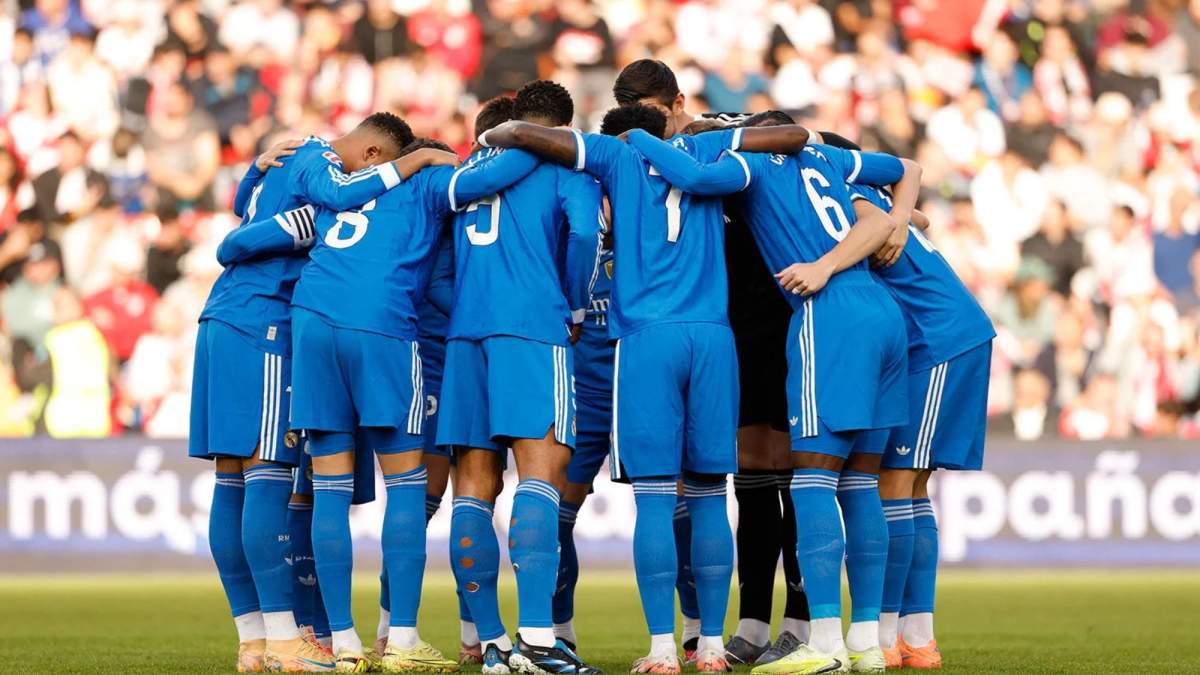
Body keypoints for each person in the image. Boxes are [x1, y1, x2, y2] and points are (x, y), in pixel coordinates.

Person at [479, 102, 809, 674]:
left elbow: (539, 137)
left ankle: (659, 651)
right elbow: (796, 134)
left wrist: (498, 131)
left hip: (646, 339)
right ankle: (709, 646)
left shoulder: (615, 154)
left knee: (654, 501)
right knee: (708, 496)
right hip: (713, 338)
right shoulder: (710, 149)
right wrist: (716, 130)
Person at [619, 129, 920, 674]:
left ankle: (822, 643)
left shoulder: (751, 164)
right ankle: (868, 643)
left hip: (827, 313)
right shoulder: (828, 158)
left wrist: (638, 135)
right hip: (883, 314)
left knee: (812, 478)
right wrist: (901, 218)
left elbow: (694, 177)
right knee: (860, 481)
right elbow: (897, 186)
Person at [190, 114, 458, 673]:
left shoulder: (289, 162)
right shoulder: (323, 175)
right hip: (263, 326)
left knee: (238, 480)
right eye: (383, 166)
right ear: (373, 155)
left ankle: (258, 641)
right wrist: (416, 163)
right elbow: (235, 243)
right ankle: (289, 641)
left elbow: (246, 211)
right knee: (268, 480)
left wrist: (251, 170)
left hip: (238, 324)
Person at [283, 118, 540, 672]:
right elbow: (484, 181)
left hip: (311, 320)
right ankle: (401, 640)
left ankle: (343, 644)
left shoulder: (334, 184)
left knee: (330, 490)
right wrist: (539, 138)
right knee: (406, 486)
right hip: (381, 326)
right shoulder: (426, 183)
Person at [610, 61, 809, 666]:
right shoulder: (676, 148)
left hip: (769, 316)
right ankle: (738, 626)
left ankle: (791, 617)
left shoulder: (687, 138)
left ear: (675, 101)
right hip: (726, 328)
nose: (647, 119)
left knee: (791, 475)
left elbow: (807, 141)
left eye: (652, 108)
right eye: (635, 109)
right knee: (731, 484)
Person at [437, 81, 604, 675]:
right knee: (543, 473)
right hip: (533, 329)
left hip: (466, 335)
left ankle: (490, 646)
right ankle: (538, 641)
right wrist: (577, 305)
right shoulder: (563, 163)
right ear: (562, 124)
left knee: (474, 487)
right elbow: (585, 234)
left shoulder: (470, 167)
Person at [841, 163, 995, 670]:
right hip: (952, 334)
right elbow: (919, 220)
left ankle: (886, 634)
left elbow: (888, 225)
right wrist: (906, 216)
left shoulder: (851, 204)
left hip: (937, 340)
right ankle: (917, 636)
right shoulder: (872, 199)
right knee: (911, 488)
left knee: (893, 482)